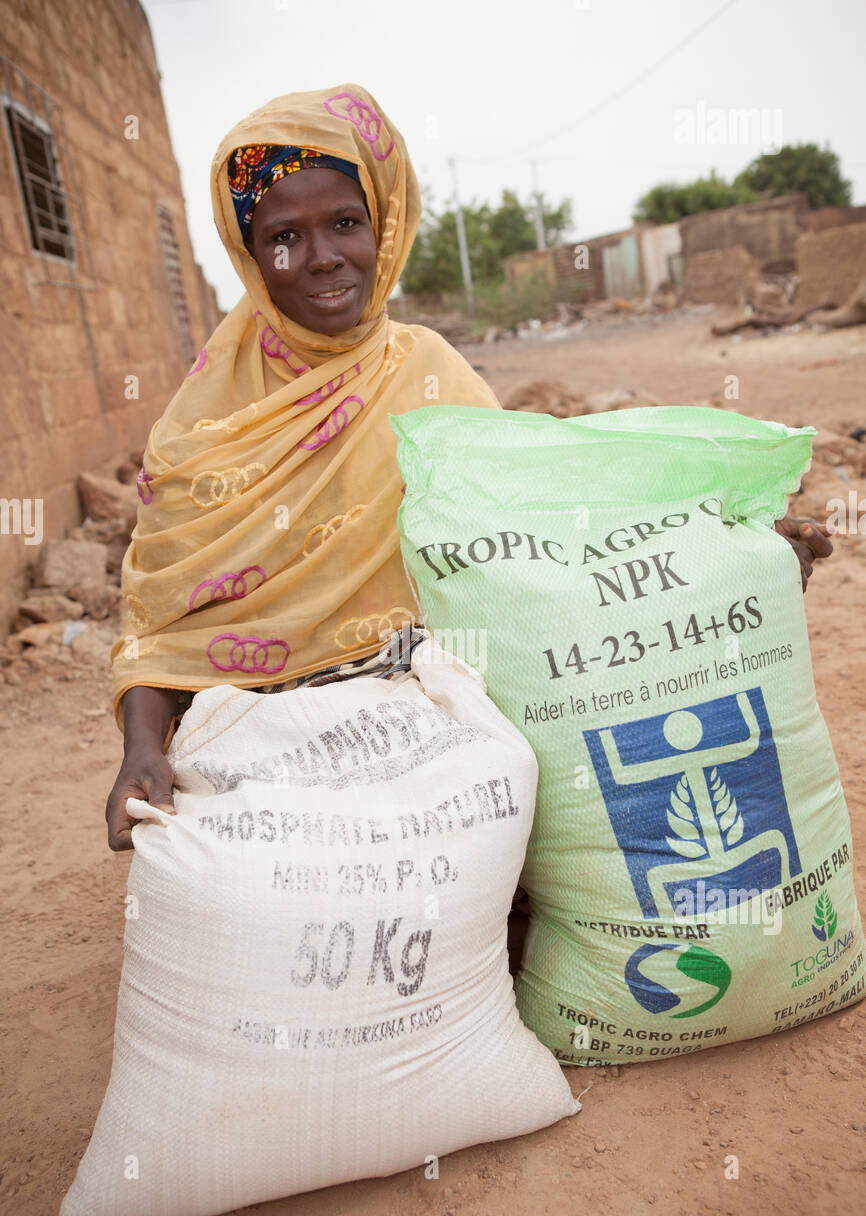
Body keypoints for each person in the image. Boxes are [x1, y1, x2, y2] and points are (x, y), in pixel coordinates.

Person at [106, 82, 832, 853]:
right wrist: (142, 751)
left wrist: (730, 551)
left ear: (383, 228)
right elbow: (163, 625)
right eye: (284, 236)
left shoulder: (427, 372)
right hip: (259, 730)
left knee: (514, 793)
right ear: (250, 253)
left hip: (423, 703)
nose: (321, 259)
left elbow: (550, 517)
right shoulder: (199, 429)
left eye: (347, 224)